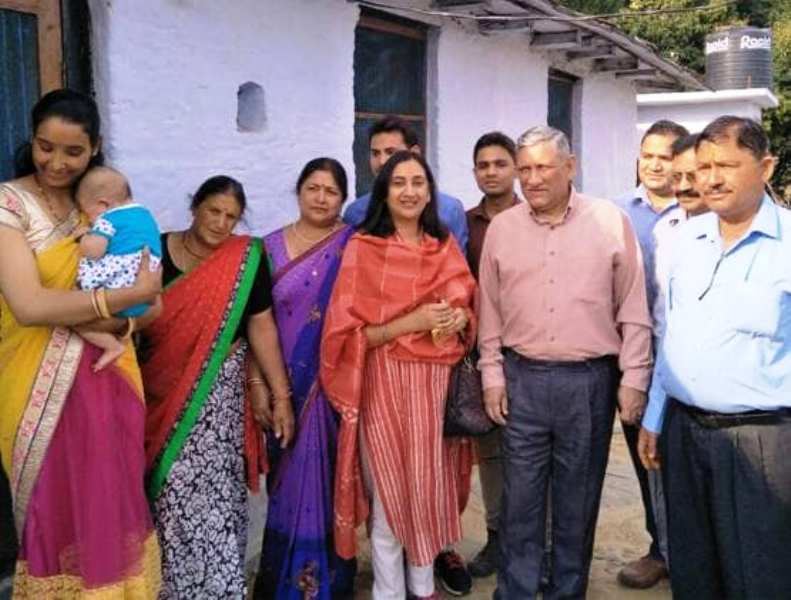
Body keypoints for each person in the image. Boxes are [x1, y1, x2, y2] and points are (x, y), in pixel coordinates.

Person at [0, 89, 162, 597]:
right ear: (32, 141)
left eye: (73, 151)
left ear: (94, 148)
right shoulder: (9, 204)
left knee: (109, 512)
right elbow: (29, 306)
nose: (56, 162)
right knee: (54, 516)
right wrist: (123, 298)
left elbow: (152, 300)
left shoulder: (104, 205)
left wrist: (127, 320)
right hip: (34, 395)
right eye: (46, 146)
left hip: (108, 385)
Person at [478, 126, 652, 599]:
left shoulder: (609, 222)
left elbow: (633, 309)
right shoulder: (503, 229)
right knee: (521, 500)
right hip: (522, 380)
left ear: (569, 167)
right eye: (525, 168)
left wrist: (633, 378)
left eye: (543, 168)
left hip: (589, 383)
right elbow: (488, 310)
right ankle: (515, 589)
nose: (532, 179)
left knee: (577, 501)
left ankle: (567, 591)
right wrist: (491, 375)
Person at [638, 116, 791, 599]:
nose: (711, 178)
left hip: (762, 443)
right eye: (703, 166)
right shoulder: (686, 240)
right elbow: (674, 338)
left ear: (765, 167)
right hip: (685, 434)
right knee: (692, 569)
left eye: (726, 164)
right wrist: (655, 417)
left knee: (760, 574)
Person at [321, 151, 477, 600]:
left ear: (429, 192)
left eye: (418, 182)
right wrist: (409, 323)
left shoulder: (442, 245)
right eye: (398, 183)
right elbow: (345, 333)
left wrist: (457, 320)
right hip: (382, 381)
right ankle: (388, 592)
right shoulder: (363, 248)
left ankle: (423, 586)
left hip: (434, 386)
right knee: (389, 493)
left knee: (426, 489)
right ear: (384, 193)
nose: (409, 191)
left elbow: (467, 305)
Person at [140, 175, 294, 599]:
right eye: (214, 211)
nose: (221, 223)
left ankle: (221, 588)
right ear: (195, 207)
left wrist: (279, 395)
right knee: (169, 495)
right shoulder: (155, 249)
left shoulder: (245, 259)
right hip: (160, 395)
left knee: (219, 500)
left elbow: (261, 326)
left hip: (219, 404)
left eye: (231, 217)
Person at [253, 158, 357, 599]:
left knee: (333, 484)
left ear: (343, 199)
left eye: (331, 191)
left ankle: (327, 583)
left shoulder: (355, 246)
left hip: (333, 388)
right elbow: (252, 322)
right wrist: (258, 386)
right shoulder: (267, 247)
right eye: (313, 188)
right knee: (286, 483)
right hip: (281, 388)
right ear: (299, 191)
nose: (320, 198)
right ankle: (280, 580)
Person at [614, 119, 688, 589]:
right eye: (648, 154)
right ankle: (660, 548)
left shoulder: (699, 211)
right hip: (634, 357)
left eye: (665, 156)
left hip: (684, 357)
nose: (655, 164)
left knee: (685, 460)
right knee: (646, 458)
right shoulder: (617, 214)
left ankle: (692, 550)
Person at [464, 132, 519, 580]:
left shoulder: (534, 216)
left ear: (515, 167)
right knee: (493, 456)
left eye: (500, 163)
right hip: (483, 357)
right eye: (483, 165)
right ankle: (498, 537)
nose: (492, 172)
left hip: (532, 355)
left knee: (535, 456)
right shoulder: (464, 225)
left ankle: (534, 543)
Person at [74, 166, 162, 370]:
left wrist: (83, 236)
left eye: (88, 212)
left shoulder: (108, 219)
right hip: (144, 299)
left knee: (72, 318)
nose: (90, 218)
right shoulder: (145, 215)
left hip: (117, 293)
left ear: (103, 204)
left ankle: (111, 346)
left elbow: (94, 251)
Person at [343, 115, 469, 251]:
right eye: (375, 153)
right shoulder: (356, 212)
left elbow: (457, 267)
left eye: (390, 152)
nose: (382, 162)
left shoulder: (449, 211)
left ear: (414, 153)